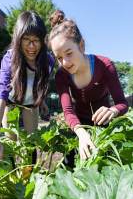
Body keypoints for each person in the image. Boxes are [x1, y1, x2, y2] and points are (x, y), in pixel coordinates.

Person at [48, 10, 128, 161]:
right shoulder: (61, 75)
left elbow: (122, 103)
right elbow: (68, 111)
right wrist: (82, 134)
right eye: (59, 57)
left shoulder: (105, 65)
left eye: (69, 53)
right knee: (70, 163)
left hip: (104, 123)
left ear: (82, 45)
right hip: (78, 125)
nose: (65, 62)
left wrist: (113, 111)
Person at [0, 11, 54, 161]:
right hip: (10, 102)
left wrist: (41, 101)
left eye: (36, 40)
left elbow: (40, 83)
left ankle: (29, 174)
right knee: (11, 140)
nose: (31, 46)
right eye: (26, 40)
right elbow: (1, 94)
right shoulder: (10, 58)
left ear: (43, 41)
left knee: (31, 141)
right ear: (18, 39)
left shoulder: (48, 61)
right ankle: (13, 176)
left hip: (30, 104)